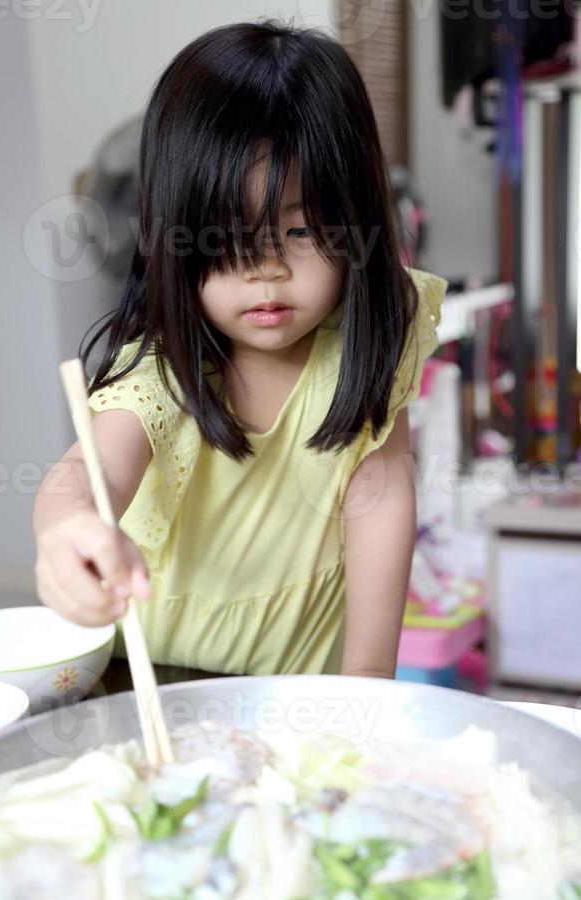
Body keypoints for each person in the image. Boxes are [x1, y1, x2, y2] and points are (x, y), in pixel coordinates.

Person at [32, 18, 448, 683]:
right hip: (157, 679)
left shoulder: (380, 333)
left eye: (302, 228)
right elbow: (88, 469)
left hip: (299, 692)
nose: (265, 271)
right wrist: (65, 532)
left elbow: (381, 490)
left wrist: (370, 680)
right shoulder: (166, 370)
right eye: (224, 239)